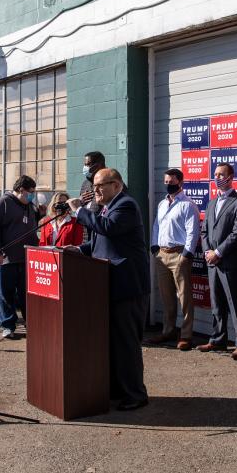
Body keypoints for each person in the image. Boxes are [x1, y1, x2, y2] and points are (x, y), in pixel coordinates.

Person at [68, 168, 149, 411]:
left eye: (100, 186)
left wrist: (79, 212)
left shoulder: (126, 205)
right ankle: (118, 389)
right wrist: (79, 250)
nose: (96, 191)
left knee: (126, 344)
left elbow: (109, 228)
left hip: (128, 286)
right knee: (113, 343)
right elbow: (100, 241)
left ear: (117, 185)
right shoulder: (107, 206)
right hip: (110, 284)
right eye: (94, 186)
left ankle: (135, 394)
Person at [198, 163, 237, 360]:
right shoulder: (211, 202)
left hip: (230, 262)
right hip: (212, 262)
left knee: (236, 304)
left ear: (231, 177)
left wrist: (218, 252)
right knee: (217, 303)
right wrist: (207, 252)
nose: (217, 177)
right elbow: (204, 231)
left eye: (221, 174)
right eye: (215, 174)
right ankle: (218, 339)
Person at [146, 168, 199, 351]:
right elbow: (156, 226)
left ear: (180, 182)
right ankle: (168, 330)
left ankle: (186, 335)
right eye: (166, 182)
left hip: (179, 255)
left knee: (184, 297)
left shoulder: (188, 205)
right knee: (166, 296)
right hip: (162, 255)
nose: (168, 185)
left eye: (172, 182)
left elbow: (193, 232)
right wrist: (154, 246)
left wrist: (186, 254)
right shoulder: (162, 204)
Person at [0, 175, 39, 339]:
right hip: (6, 259)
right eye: (30, 192)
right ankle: (8, 325)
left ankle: (31, 322)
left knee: (26, 294)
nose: (32, 196)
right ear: (21, 190)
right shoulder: (3, 203)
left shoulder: (29, 206)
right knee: (6, 294)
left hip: (25, 258)